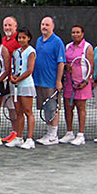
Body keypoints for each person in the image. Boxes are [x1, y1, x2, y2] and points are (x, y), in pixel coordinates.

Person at [33, 16, 65, 146]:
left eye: (47, 25)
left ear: (52, 27)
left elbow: (61, 63)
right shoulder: (39, 41)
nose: (44, 27)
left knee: (53, 109)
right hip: (39, 81)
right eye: (42, 24)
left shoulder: (57, 42)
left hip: (51, 82)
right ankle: (49, 132)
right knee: (45, 108)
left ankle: (54, 136)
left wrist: (58, 81)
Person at [60, 25, 94, 146]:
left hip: (82, 83)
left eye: (78, 32)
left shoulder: (87, 47)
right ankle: (69, 133)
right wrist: (66, 66)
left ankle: (80, 135)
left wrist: (86, 81)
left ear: (82, 34)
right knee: (68, 108)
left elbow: (91, 66)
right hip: (69, 82)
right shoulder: (67, 46)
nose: (75, 34)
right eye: (73, 32)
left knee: (81, 108)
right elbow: (64, 62)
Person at [7, 27, 36, 149]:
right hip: (16, 86)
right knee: (18, 113)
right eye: (20, 37)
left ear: (28, 38)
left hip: (26, 85)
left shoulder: (31, 51)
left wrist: (18, 79)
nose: (22, 40)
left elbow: (29, 70)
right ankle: (19, 138)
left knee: (28, 112)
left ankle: (29, 140)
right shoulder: (16, 52)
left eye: (24, 37)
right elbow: (14, 67)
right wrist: (13, 78)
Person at [1, 16, 20, 143]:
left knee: (17, 107)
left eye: (10, 25)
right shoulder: (2, 40)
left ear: (15, 26)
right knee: (10, 107)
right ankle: (13, 132)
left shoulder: (19, 40)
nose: (7, 28)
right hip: (4, 81)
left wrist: (16, 77)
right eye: (5, 25)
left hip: (15, 81)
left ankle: (18, 134)